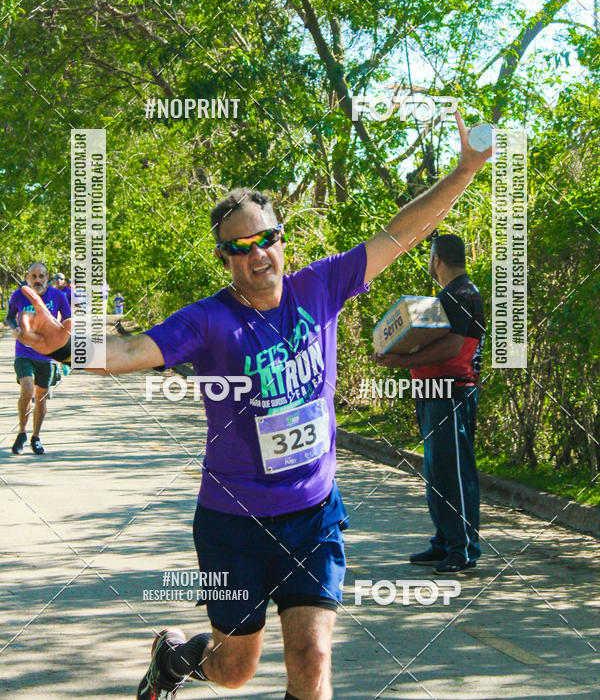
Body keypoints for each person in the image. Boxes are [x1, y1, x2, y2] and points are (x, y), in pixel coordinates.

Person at [14, 112, 490, 700]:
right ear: (225, 259)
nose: (257, 254)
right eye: (240, 247)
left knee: (312, 661)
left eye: (265, 239)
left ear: (282, 240)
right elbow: (134, 350)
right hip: (233, 522)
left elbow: (401, 235)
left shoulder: (321, 286)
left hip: (313, 514)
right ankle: (173, 659)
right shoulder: (208, 320)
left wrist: (465, 171)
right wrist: (67, 348)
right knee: (234, 669)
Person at [376, 233, 485, 574]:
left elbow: (453, 347)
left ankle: (463, 548)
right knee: (436, 470)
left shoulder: (462, 294)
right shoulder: (447, 295)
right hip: (433, 391)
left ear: (437, 259)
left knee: (453, 471)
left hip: (452, 391)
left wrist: (402, 361)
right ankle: (444, 541)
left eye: (429, 257)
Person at [5, 263, 71, 455]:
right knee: (27, 389)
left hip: (47, 355)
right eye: (33, 276)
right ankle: (21, 433)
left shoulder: (57, 296)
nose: (37, 280)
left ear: (46, 278)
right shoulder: (18, 295)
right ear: (28, 278)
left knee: (41, 399)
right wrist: (15, 328)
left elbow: (68, 318)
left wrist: (60, 333)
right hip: (24, 352)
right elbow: (10, 317)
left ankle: (35, 437)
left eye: (41, 276)